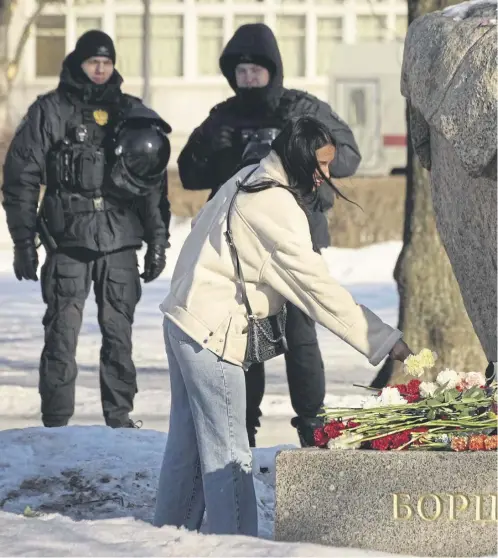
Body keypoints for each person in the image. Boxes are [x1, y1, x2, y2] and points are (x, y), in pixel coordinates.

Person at [154, 116, 412, 536]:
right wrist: (387, 341)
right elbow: (320, 292)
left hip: (184, 321)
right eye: (321, 165)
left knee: (187, 447)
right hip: (211, 335)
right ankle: (237, 544)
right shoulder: (274, 207)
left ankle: (164, 536)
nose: (326, 175)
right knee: (228, 453)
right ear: (297, 157)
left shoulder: (249, 175)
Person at [178, 22, 362, 448]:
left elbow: (349, 156)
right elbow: (189, 174)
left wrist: (302, 150)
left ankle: (313, 428)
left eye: (256, 71)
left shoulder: (302, 108)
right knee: (243, 339)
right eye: (240, 72)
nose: (248, 79)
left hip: (294, 238)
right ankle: (243, 430)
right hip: (238, 248)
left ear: (272, 70)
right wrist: (211, 149)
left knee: (300, 336)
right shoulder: (223, 116)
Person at [2, 30, 172, 429]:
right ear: (78, 63)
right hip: (68, 241)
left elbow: (151, 183)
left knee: (119, 334)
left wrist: (158, 240)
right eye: (93, 61)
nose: (100, 68)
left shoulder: (131, 111)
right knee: (61, 332)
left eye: (107, 62)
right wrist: (23, 241)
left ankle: (120, 418)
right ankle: (56, 423)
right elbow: (21, 175)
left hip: (120, 239)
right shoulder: (51, 110)